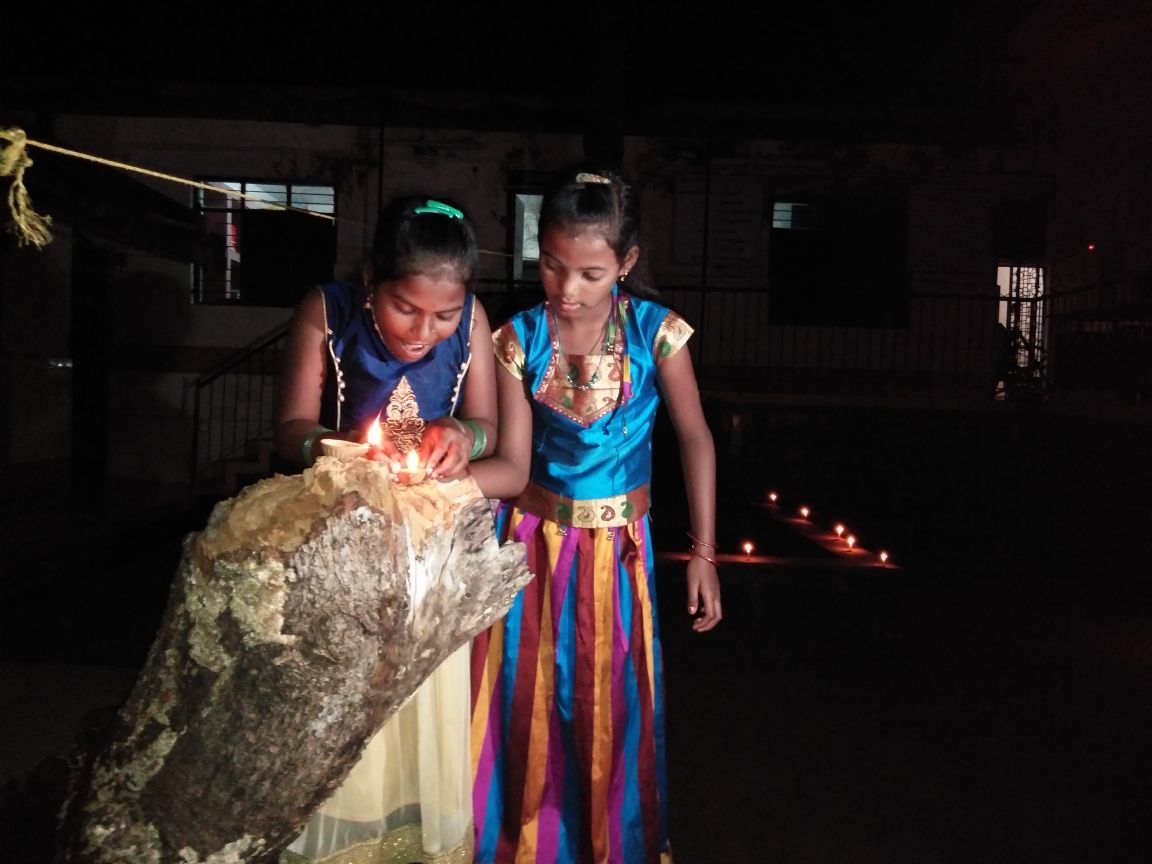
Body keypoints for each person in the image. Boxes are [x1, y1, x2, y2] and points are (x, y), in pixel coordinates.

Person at [469, 166, 723, 864]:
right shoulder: (517, 339)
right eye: (552, 264)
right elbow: (512, 463)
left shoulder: (656, 334)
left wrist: (703, 554)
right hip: (526, 547)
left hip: (619, 553)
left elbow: (695, 437)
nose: (567, 288)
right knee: (521, 706)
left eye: (590, 273)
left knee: (612, 710)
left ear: (626, 262)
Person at [273, 193, 500, 864]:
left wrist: (463, 433)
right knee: (340, 701)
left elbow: (489, 428)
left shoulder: (474, 321)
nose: (424, 330)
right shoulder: (327, 311)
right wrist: (343, 452)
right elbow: (289, 428)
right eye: (405, 307)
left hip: (430, 549)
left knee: (417, 703)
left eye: (444, 316)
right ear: (372, 279)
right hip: (340, 538)